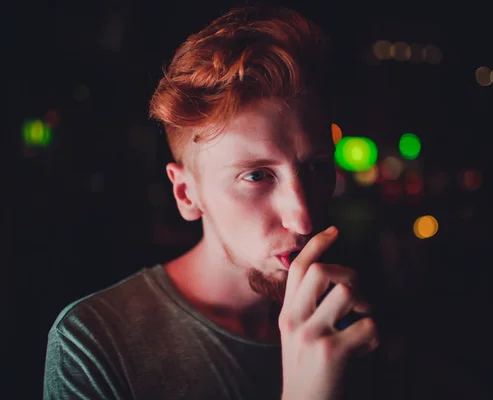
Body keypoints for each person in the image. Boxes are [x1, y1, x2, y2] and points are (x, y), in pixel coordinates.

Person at [43, 4, 380, 400]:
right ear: (187, 193)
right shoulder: (96, 342)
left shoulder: (350, 315)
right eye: (256, 175)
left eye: (317, 167)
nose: (303, 218)